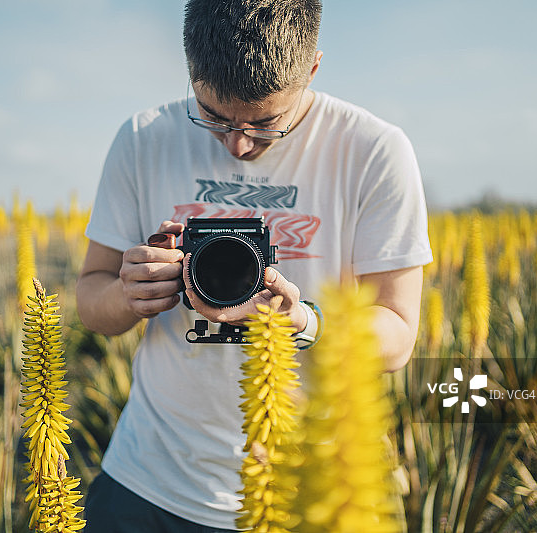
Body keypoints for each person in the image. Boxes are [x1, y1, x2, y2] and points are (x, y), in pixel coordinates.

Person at [76, 0, 432, 530]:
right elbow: (90, 300)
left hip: (307, 490)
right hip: (148, 481)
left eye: (266, 124)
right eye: (213, 116)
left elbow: (398, 336)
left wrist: (304, 322)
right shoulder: (142, 138)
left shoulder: (373, 151)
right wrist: (128, 295)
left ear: (311, 69)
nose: (238, 144)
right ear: (191, 71)